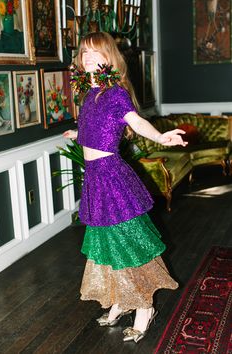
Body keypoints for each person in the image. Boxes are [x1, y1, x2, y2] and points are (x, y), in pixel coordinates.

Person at [63, 31, 187, 343]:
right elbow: (95, 130)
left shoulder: (115, 93)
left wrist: (159, 137)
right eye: (84, 52)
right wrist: (76, 135)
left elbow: (135, 121)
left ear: (109, 58)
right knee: (106, 245)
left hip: (111, 178)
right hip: (93, 177)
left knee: (127, 244)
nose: (89, 57)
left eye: (96, 52)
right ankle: (121, 299)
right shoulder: (88, 95)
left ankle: (144, 307)